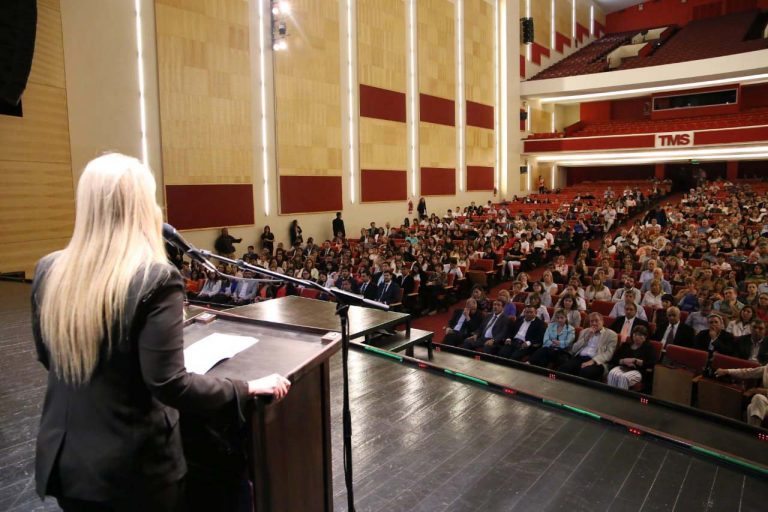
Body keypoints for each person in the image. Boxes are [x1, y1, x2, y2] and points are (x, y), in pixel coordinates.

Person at [30, 154, 291, 511]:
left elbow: (49, 357)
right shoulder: (154, 277)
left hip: (68, 463)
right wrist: (246, 387)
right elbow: (170, 384)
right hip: (132, 469)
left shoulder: (49, 269)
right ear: (140, 206)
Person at [558, 313, 618, 381]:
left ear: (602, 321)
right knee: (564, 368)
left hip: (597, 362)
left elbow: (608, 354)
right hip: (580, 358)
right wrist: (587, 337)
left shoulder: (611, 335)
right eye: (592, 321)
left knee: (585, 372)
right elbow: (574, 349)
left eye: (596, 321)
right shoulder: (584, 331)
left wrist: (593, 361)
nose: (594, 323)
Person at [607, 325, 657, 390]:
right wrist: (623, 361)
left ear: (645, 337)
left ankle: (621, 396)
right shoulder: (626, 345)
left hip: (637, 371)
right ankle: (611, 394)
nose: (637, 337)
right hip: (623, 367)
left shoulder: (648, 348)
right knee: (612, 374)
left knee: (624, 378)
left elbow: (652, 364)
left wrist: (637, 361)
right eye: (635, 334)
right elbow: (614, 359)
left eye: (640, 335)